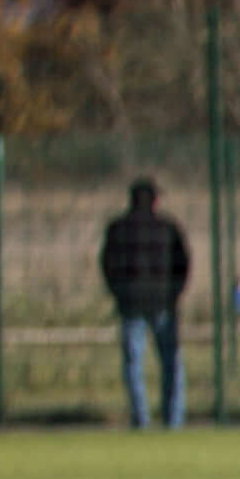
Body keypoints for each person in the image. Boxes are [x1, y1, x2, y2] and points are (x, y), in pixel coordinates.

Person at [99, 179, 190, 430]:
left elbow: (107, 266)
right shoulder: (168, 228)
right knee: (171, 364)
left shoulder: (117, 229)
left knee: (133, 365)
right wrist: (174, 295)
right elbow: (183, 266)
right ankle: (174, 419)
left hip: (131, 305)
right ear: (155, 201)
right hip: (163, 305)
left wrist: (119, 294)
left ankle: (141, 419)